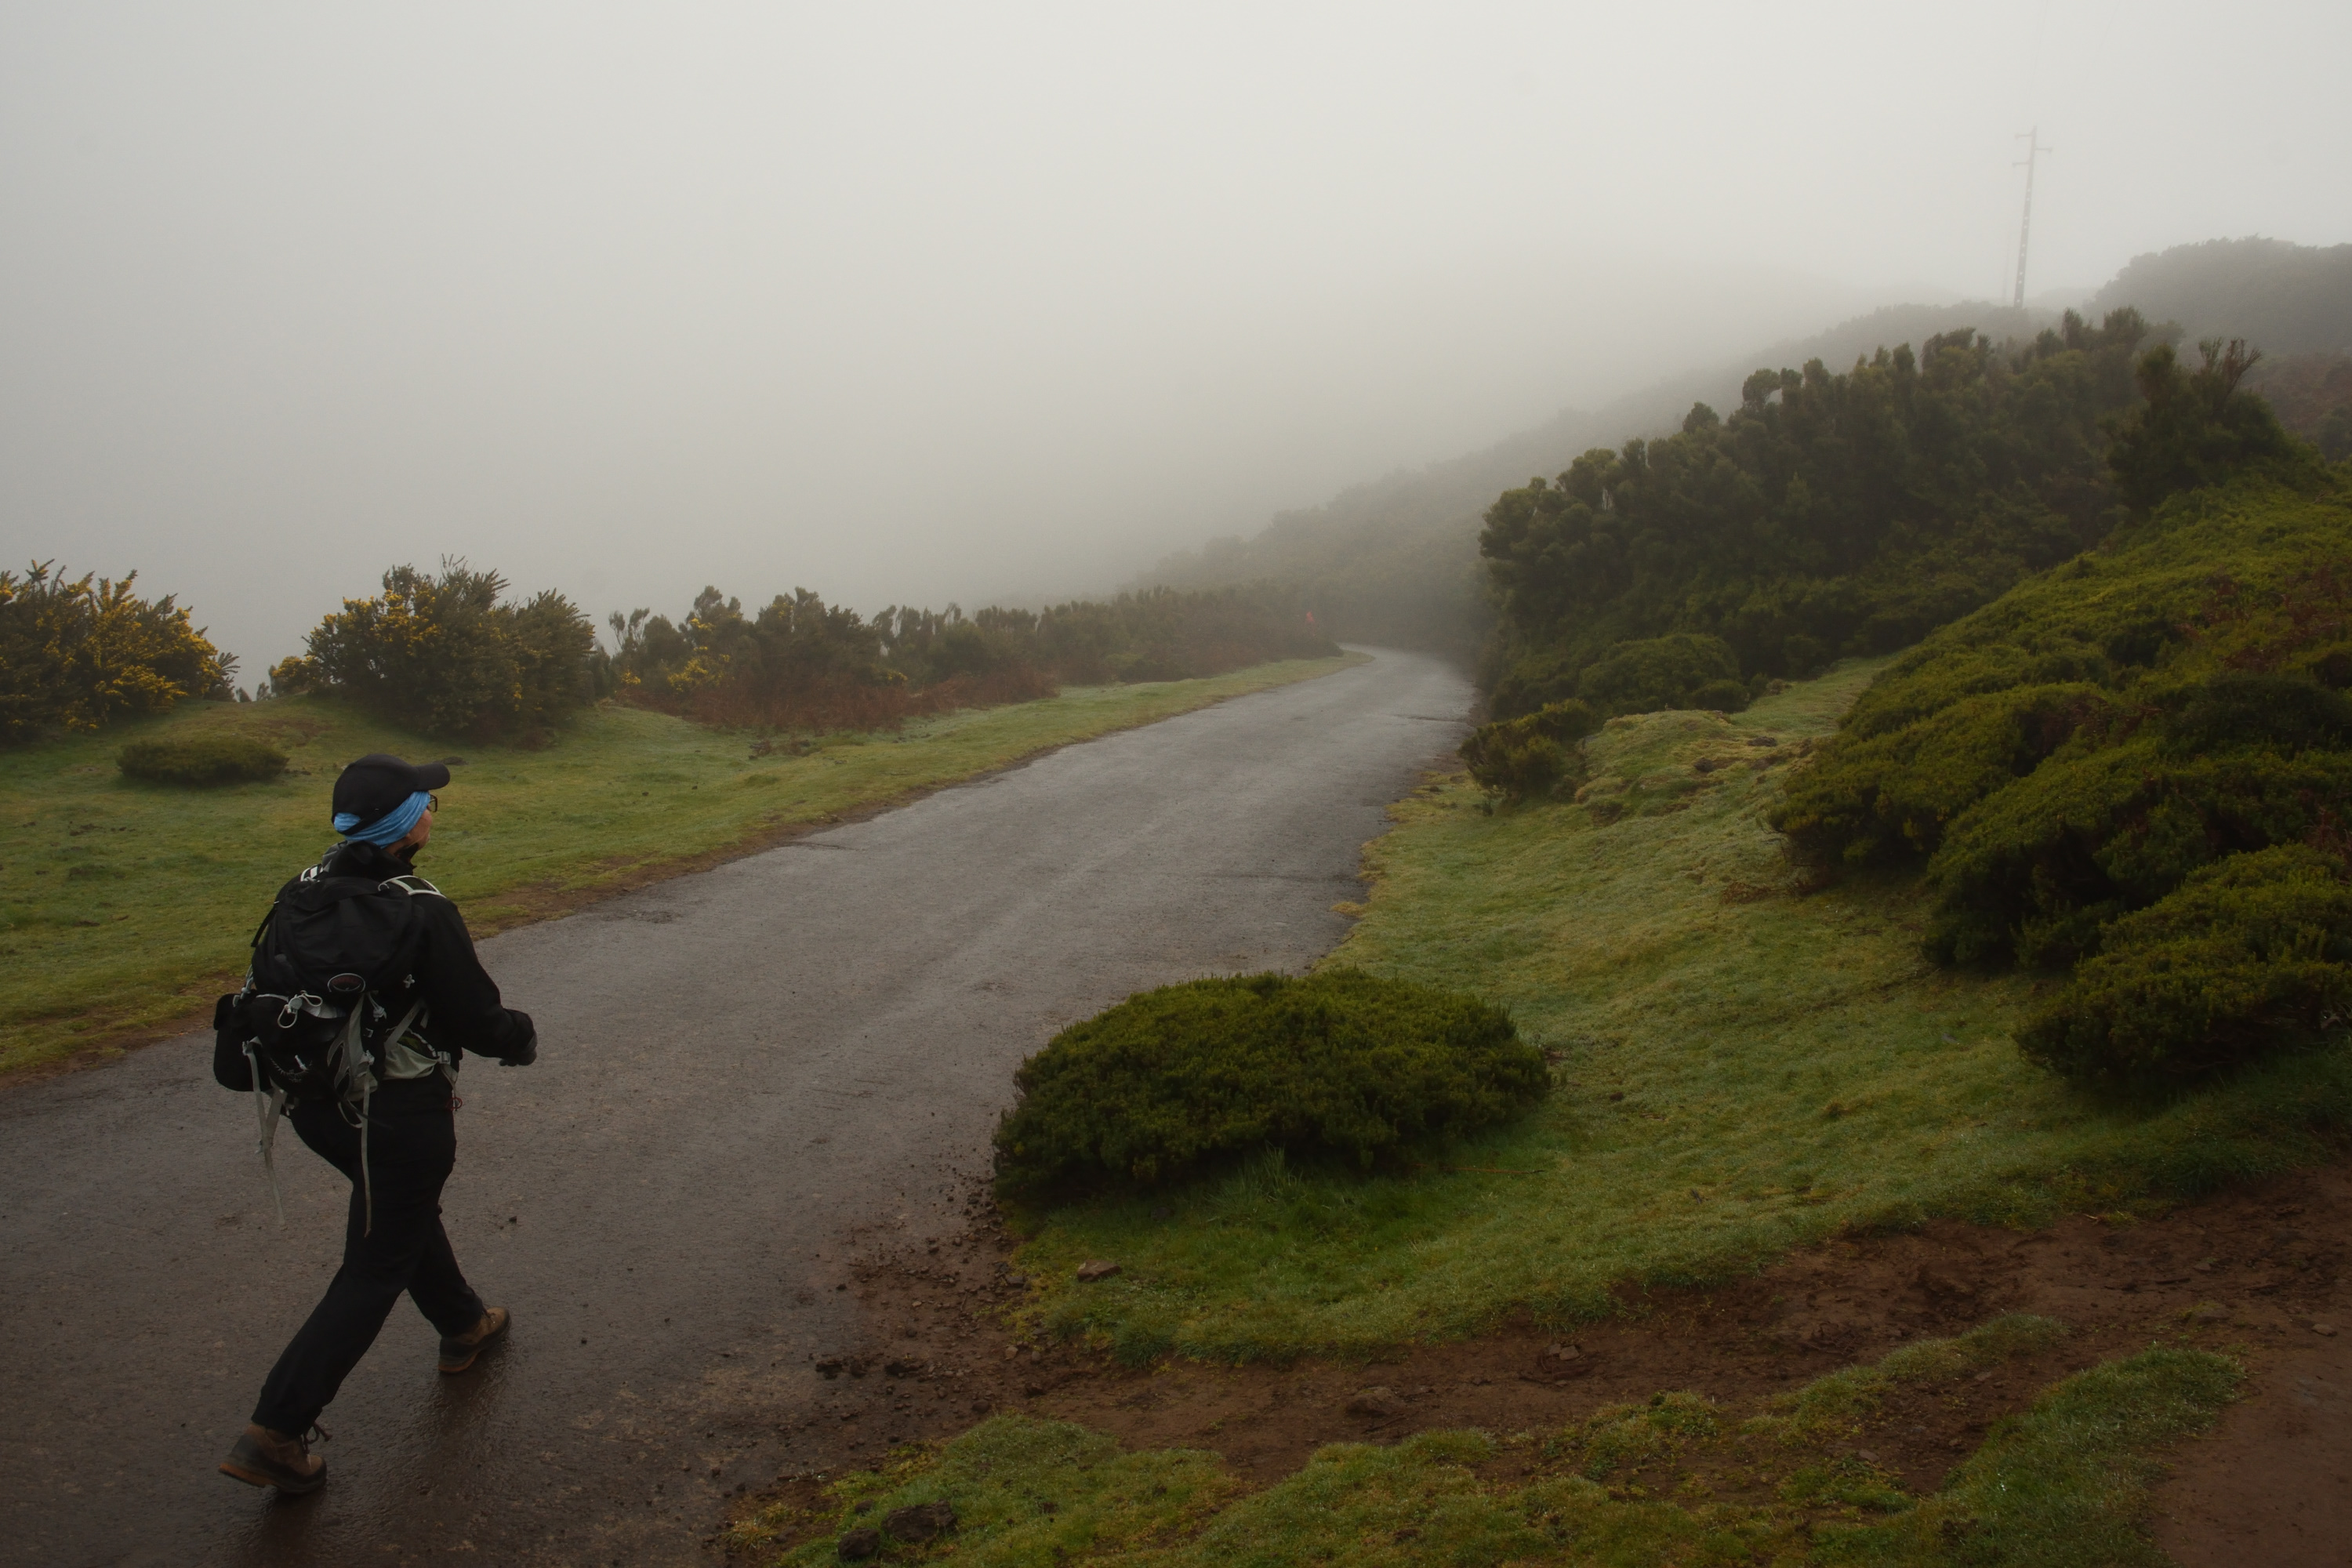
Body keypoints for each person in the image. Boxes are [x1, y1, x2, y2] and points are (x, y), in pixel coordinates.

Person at [219, 753, 538, 1495]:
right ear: (405, 825)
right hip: (400, 1117)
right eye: (426, 803)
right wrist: (520, 1037)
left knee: (395, 1216)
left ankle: (464, 1324)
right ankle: (276, 1430)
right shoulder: (420, 907)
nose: (432, 813)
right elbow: (478, 1018)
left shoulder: (301, 890)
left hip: (317, 1108)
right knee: (374, 1265)